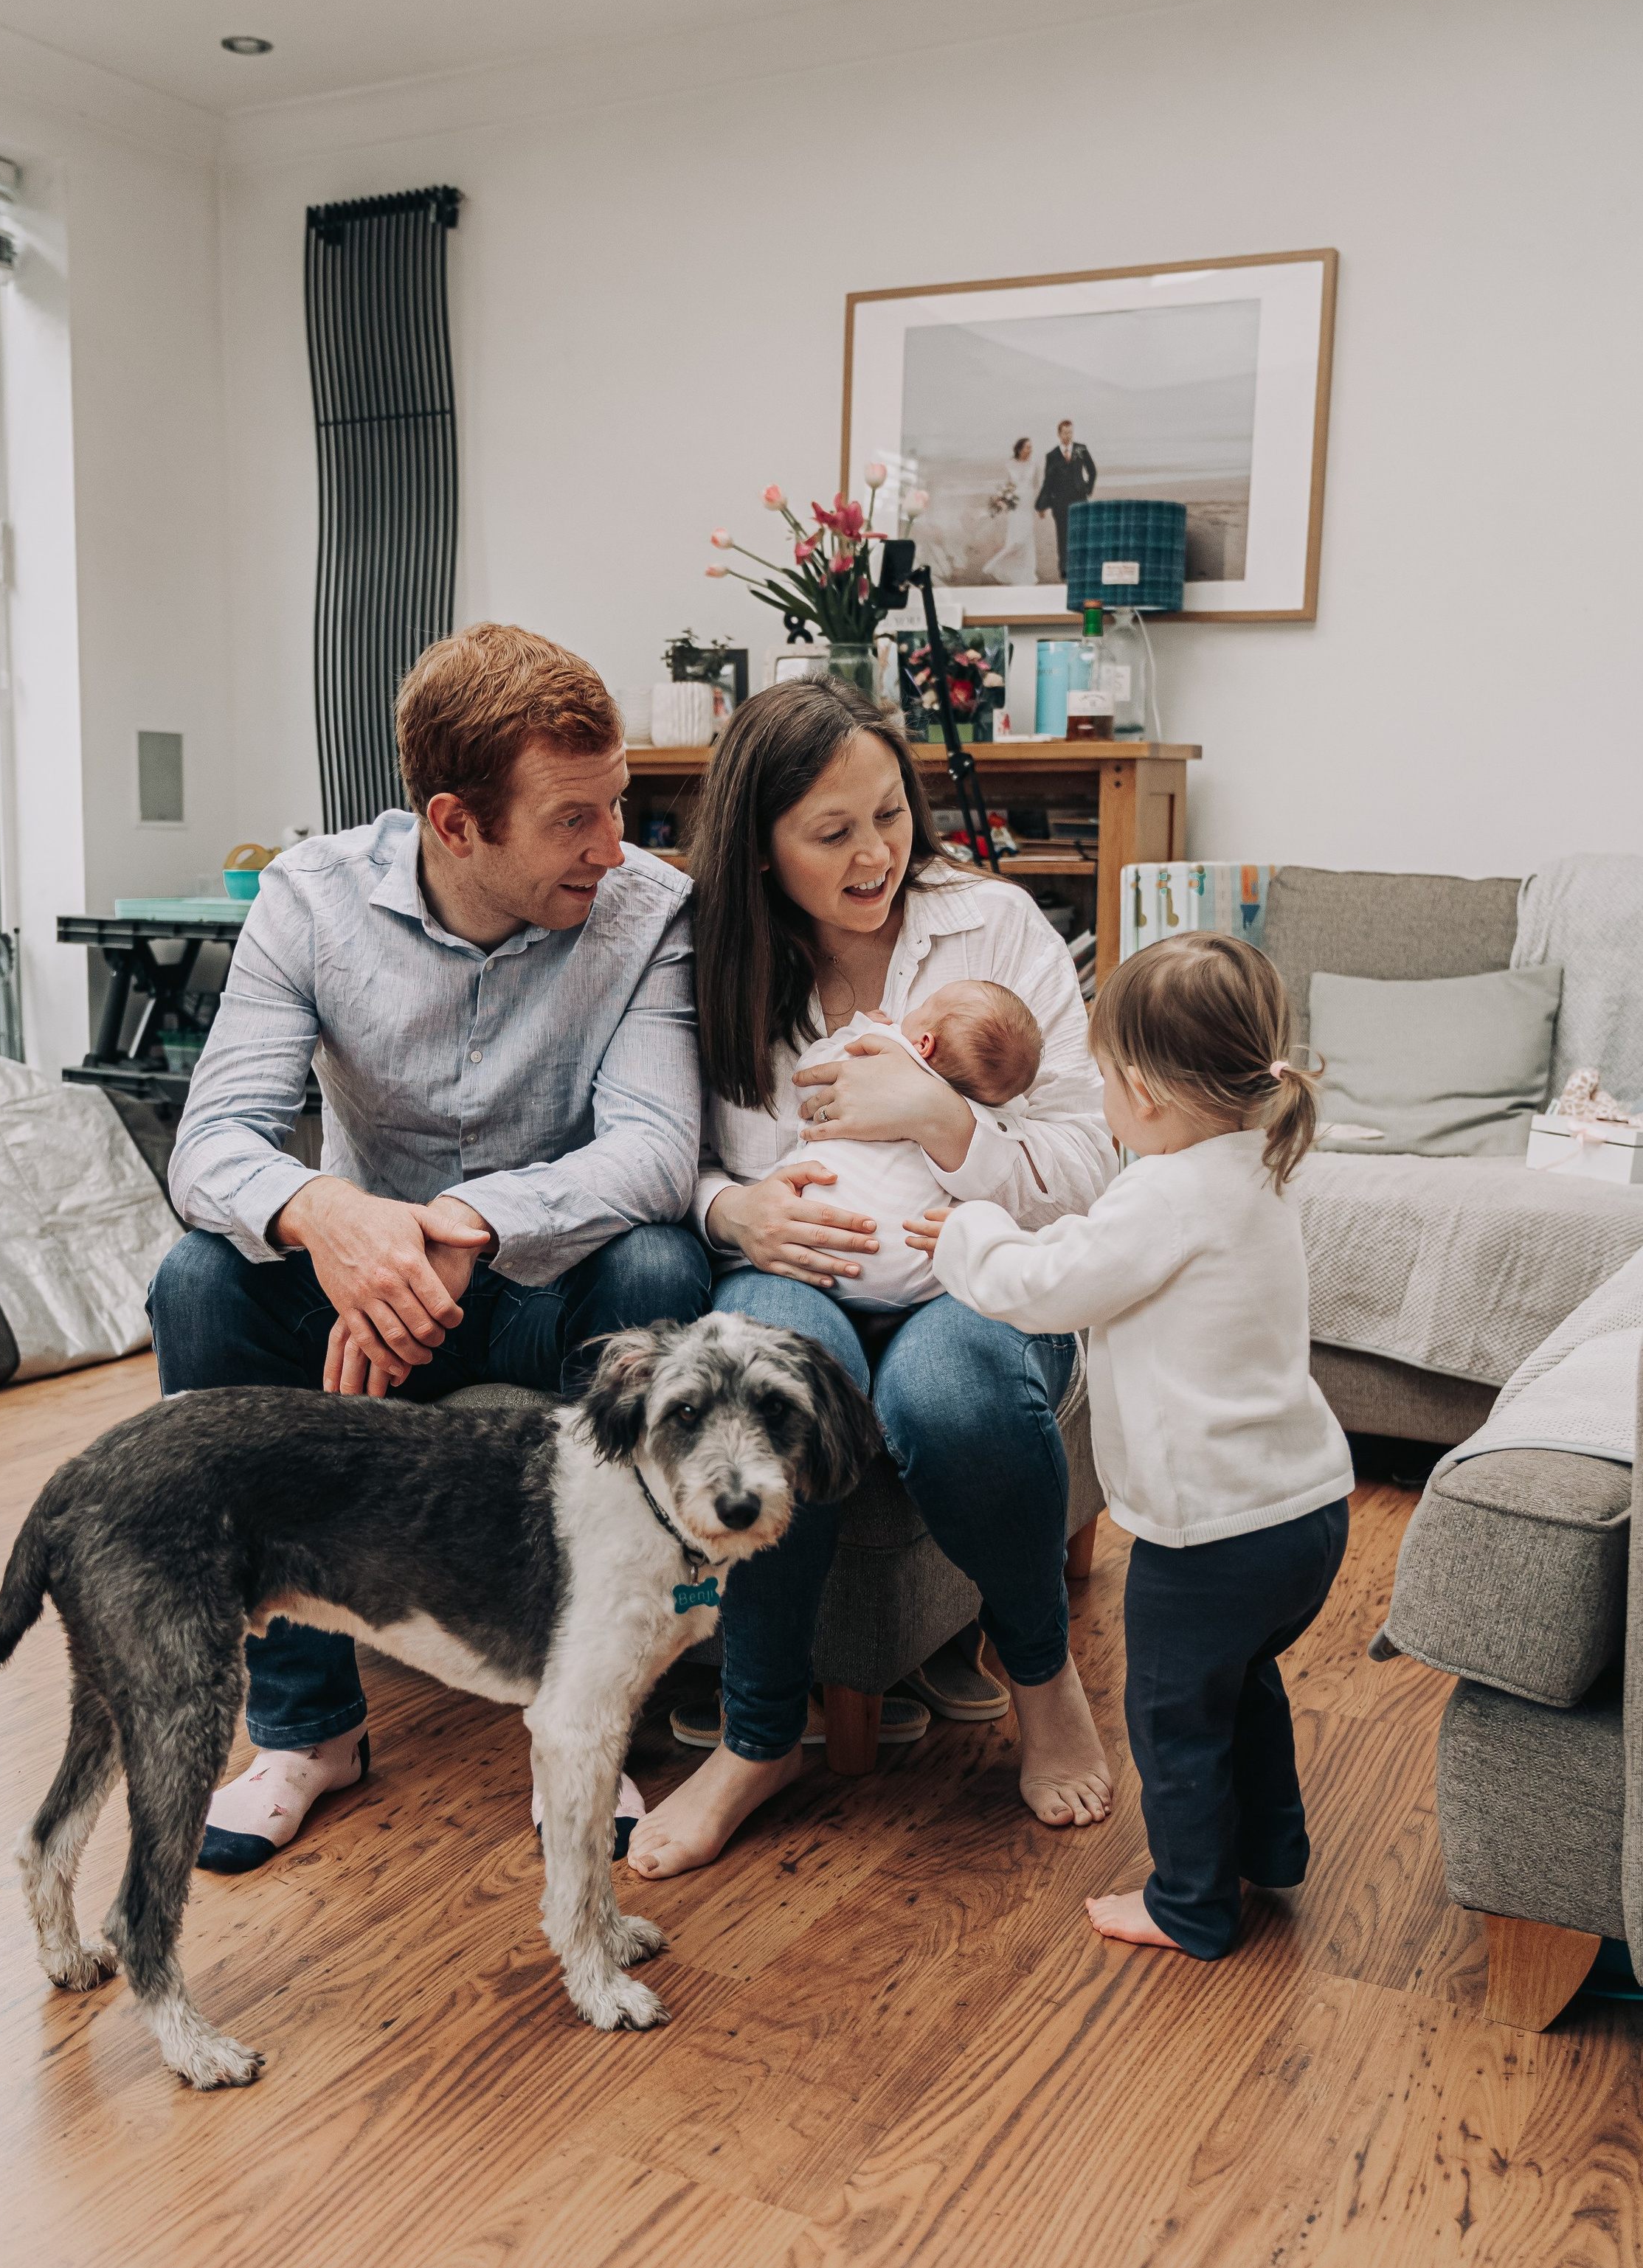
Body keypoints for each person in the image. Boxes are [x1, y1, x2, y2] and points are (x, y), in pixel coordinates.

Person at [151, 623, 710, 1872]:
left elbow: (658, 1150)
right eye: (575, 821)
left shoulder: (648, 911)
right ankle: (305, 1730)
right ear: (456, 824)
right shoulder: (309, 902)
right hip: (358, 1294)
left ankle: (588, 1721)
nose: (612, 848)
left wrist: (469, 1223)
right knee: (199, 1284)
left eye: (618, 806)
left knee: (660, 1273)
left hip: (537, 1280)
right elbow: (211, 1149)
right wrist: (331, 1217)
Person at [624, 677, 1117, 1882]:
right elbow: (660, 1153)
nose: (875, 856)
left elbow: (1090, 1166)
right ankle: (758, 1737)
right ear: (758, 846)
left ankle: (1042, 1681)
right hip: (791, 1268)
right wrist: (727, 1207)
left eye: (890, 816)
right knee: (770, 1383)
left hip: (976, 1266)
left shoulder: (993, 928)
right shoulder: (708, 958)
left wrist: (948, 1124)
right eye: (831, 833)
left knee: (949, 1397)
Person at [911, 932, 1355, 1961]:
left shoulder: (1164, 1194)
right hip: (1303, 1512)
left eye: (1102, 1080)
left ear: (1143, 1092)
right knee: (1240, 1685)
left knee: (1171, 1720)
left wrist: (964, 1235)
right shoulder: (1265, 1162)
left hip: (1211, 1532)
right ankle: (1269, 1850)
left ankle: (1191, 1904)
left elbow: (1047, 1286)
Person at [772, 981, 1043, 1310]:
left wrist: (854, 1031)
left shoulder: (884, 1043)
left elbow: (806, 1082)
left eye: (923, 1007)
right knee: (960, 1217)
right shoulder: (995, 1111)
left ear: (925, 1043)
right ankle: (891, 1310)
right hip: (913, 1276)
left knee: (793, 1170)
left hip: (814, 1248)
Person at [1036, 420, 1097, 586]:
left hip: (1079, 500)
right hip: (1060, 503)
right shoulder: (1052, 455)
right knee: (1063, 537)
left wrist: (1088, 488)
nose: (1068, 436)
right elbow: (1048, 482)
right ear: (1059, 434)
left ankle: (1082, 568)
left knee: (1081, 535)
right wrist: (1042, 505)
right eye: (1065, 433)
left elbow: (1092, 471)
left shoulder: (1081, 449)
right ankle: (1064, 571)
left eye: (1071, 432)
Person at [983, 435, 1042, 584]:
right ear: (1020, 449)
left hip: (1027, 506)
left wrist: (1040, 506)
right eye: (1027, 447)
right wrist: (1001, 498)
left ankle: (1026, 573)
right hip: (1015, 507)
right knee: (1015, 540)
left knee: (1026, 539)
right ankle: (997, 565)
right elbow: (1006, 485)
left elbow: (1037, 487)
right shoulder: (1010, 465)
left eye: (1031, 447)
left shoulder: (1034, 465)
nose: (1030, 450)